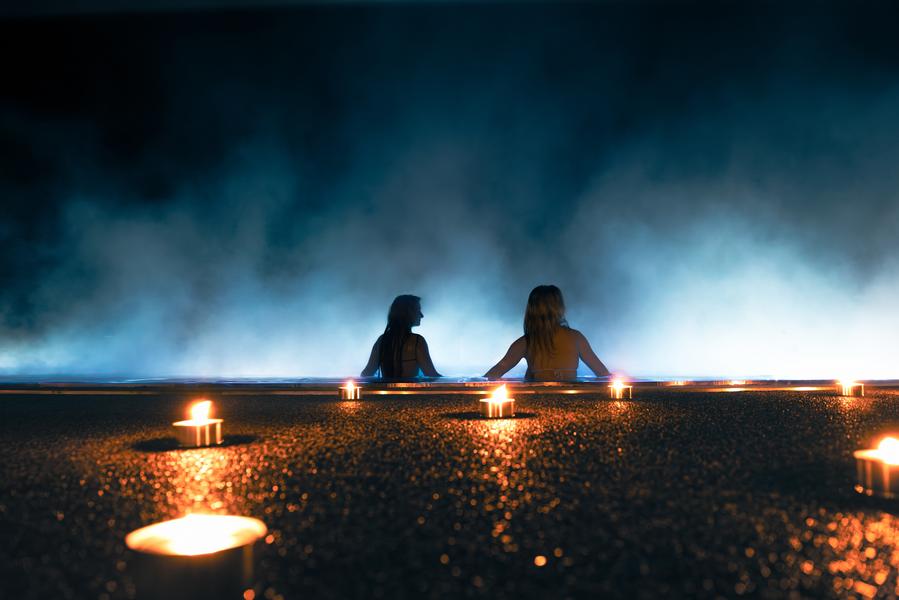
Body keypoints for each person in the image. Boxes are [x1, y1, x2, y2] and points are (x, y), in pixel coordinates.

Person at [484, 285, 610, 381]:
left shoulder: (525, 343)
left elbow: (490, 377)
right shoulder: (576, 338)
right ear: (560, 309)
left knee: (530, 375)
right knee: (530, 373)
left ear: (531, 311)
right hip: (570, 393)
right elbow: (603, 375)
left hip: (538, 395)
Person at [361, 294, 442, 378]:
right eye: (418, 310)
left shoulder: (382, 341)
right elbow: (432, 376)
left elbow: (365, 375)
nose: (422, 315)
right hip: (410, 390)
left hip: (387, 391)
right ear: (408, 313)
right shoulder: (417, 342)